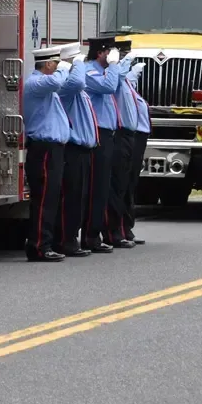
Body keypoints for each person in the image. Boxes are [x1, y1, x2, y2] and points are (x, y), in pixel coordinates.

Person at [21, 45, 71, 262]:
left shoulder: (45, 87)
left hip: (52, 149)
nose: (59, 68)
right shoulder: (36, 83)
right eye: (57, 64)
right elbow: (57, 81)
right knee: (44, 200)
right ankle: (39, 246)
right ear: (48, 64)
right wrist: (69, 66)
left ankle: (45, 243)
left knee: (51, 198)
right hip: (43, 149)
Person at [81, 36, 131, 252]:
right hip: (98, 133)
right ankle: (90, 235)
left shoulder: (104, 71)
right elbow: (109, 86)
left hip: (110, 133)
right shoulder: (89, 71)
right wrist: (113, 65)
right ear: (101, 53)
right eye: (109, 51)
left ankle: (103, 232)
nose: (112, 55)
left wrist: (121, 64)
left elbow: (119, 81)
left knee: (108, 187)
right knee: (97, 187)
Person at [56, 43, 94, 258]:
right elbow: (78, 80)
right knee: (71, 198)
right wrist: (76, 62)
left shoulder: (75, 88)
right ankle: (66, 239)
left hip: (83, 149)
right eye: (78, 61)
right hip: (72, 148)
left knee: (79, 197)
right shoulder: (67, 87)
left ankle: (72, 237)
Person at [108, 49, 147, 246]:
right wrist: (120, 66)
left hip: (133, 137)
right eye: (125, 58)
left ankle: (125, 228)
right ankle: (116, 231)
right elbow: (114, 82)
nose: (128, 63)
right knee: (119, 186)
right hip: (121, 135)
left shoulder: (126, 84)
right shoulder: (115, 80)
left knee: (128, 185)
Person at [122, 75, 152, 244]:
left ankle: (127, 228)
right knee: (124, 186)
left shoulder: (130, 87)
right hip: (131, 137)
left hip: (138, 139)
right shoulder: (121, 83)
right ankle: (121, 229)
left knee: (130, 185)